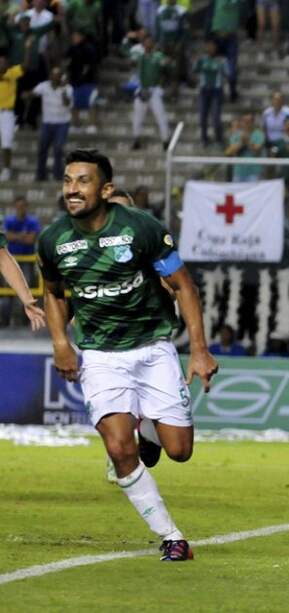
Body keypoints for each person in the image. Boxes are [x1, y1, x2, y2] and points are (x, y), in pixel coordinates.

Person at [37, 149, 218, 561]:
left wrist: (200, 351)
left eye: (82, 181)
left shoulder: (143, 229)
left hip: (153, 348)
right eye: (67, 181)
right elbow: (52, 292)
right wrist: (61, 343)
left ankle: (149, 432)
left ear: (106, 188)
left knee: (180, 451)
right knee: (119, 449)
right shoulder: (54, 240)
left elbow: (185, 286)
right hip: (100, 355)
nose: (72, 190)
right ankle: (171, 537)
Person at [0, 198, 45, 330]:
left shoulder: (31, 221)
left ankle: (22, 323)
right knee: (6, 294)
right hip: (17, 257)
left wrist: (27, 300)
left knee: (20, 291)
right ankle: (5, 320)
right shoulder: (9, 220)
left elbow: (3, 257)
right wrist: (22, 236)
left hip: (25, 260)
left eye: (23, 206)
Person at [31, 66, 73, 182]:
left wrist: (63, 90)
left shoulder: (68, 88)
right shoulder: (43, 86)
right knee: (42, 148)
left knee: (58, 148)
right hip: (47, 123)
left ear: (61, 77)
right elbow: (33, 93)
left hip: (62, 123)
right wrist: (28, 94)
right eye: (53, 75)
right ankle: (41, 174)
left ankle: (58, 174)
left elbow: (67, 103)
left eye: (58, 75)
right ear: (50, 76)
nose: (55, 77)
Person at [193, 37, 228, 147]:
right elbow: (194, 71)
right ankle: (204, 138)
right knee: (202, 116)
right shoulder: (201, 60)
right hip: (204, 90)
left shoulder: (222, 60)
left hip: (216, 91)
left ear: (216, 47)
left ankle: (219, 137)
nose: (210, 48)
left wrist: (220, 70)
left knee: (215, 117)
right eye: (208, 46)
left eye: (212, 46)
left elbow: (228, 73)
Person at [0, 54, 23, 181]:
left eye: (3, 62)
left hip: (7, 114)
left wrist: (28, 48)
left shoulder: (12, 73)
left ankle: (6, 169)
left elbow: (26, 65)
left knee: (6, 143)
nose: (1, 64)